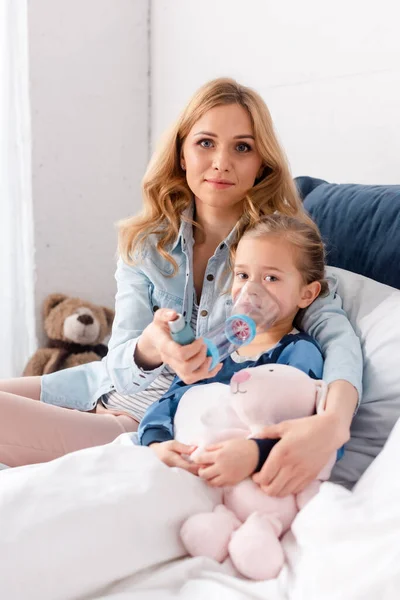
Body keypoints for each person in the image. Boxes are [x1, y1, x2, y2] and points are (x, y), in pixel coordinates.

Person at [0, 78, 362, 497]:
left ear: (262, 161)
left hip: (147, 423)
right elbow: (118, 362)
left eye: (242, 147)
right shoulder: (146, 243)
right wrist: (152, 346)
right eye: (205, 143)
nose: (221, 162)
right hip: (93, 384)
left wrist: (333, 424)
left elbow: (338, 338)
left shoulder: (277, 251)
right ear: (182, 152)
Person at [138, 213, 331, 489]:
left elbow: (299, 423)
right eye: (243, 275)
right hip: (183, 458)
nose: (251, 291)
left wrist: (255, 453)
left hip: (236, 475)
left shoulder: (298, 353)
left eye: (271, 278)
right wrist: (157, 443)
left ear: (307, 294)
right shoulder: (218, 345)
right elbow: (171, 399)